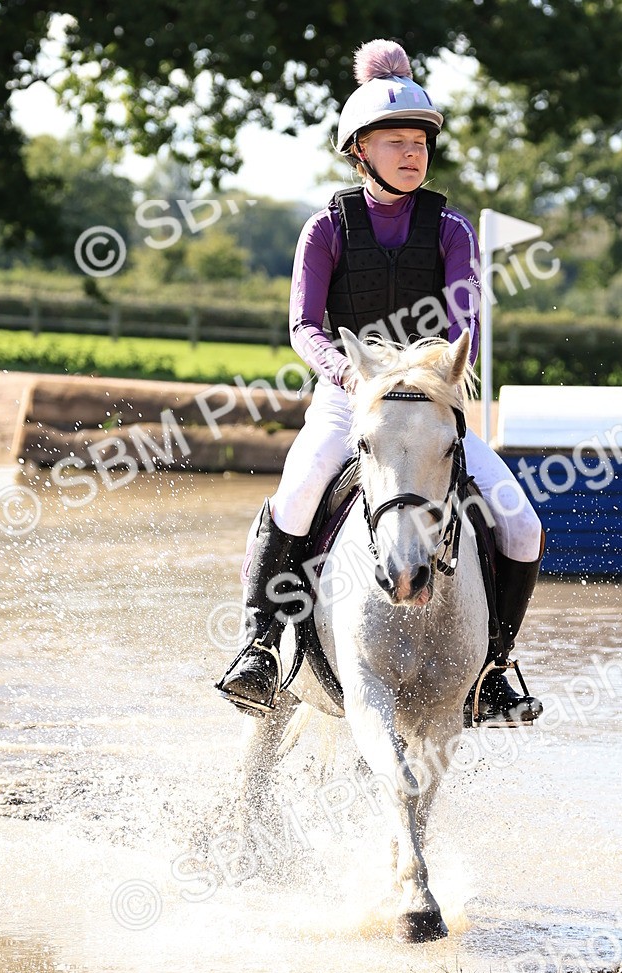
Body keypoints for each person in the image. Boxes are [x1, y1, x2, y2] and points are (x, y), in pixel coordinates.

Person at [216, 39, 544, 723]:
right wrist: (345, 373)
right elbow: (304, 326)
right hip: (347, 405)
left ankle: (495, 670)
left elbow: (465, 329)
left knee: (521, 525)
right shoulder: (325, 228)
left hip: (429, 408)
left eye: (419, 141)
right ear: (359, 151)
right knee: (299, 494)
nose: (412, 153)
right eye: (394, 142)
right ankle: (260, 648)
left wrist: (439, 378)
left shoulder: (452, 228)